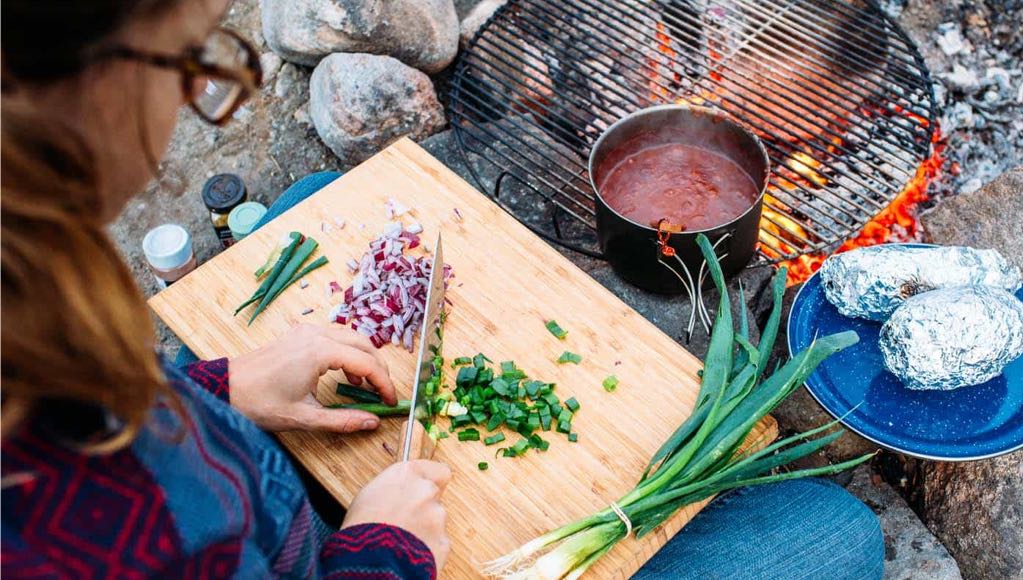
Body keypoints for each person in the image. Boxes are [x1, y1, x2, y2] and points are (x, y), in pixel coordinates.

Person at [0, 0, 884, 578]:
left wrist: (218, 389)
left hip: (265, 514)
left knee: (310, 202)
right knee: (833, 532)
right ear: (88, 88)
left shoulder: (34, 314)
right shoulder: (92, 519)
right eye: (188, 57)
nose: (199, 93)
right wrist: (384, 550)